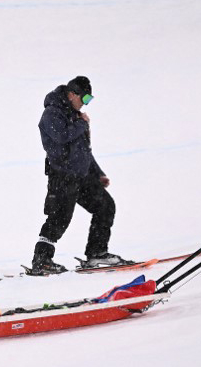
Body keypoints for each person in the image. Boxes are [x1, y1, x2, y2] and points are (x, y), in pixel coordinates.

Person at [30, 75, 128, 274]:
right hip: (62, 177)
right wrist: (82, 124)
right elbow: (60, 137)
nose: (85, 105)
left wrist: (97, 173)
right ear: (72, 94)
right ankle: (41, 260)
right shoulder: (52, 113)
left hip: (83, 176)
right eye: (84, 99)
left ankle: (97, 253)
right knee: (58, 219)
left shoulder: (75, 115)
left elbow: (84, 150)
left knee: (105, 206)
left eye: (89, 101)